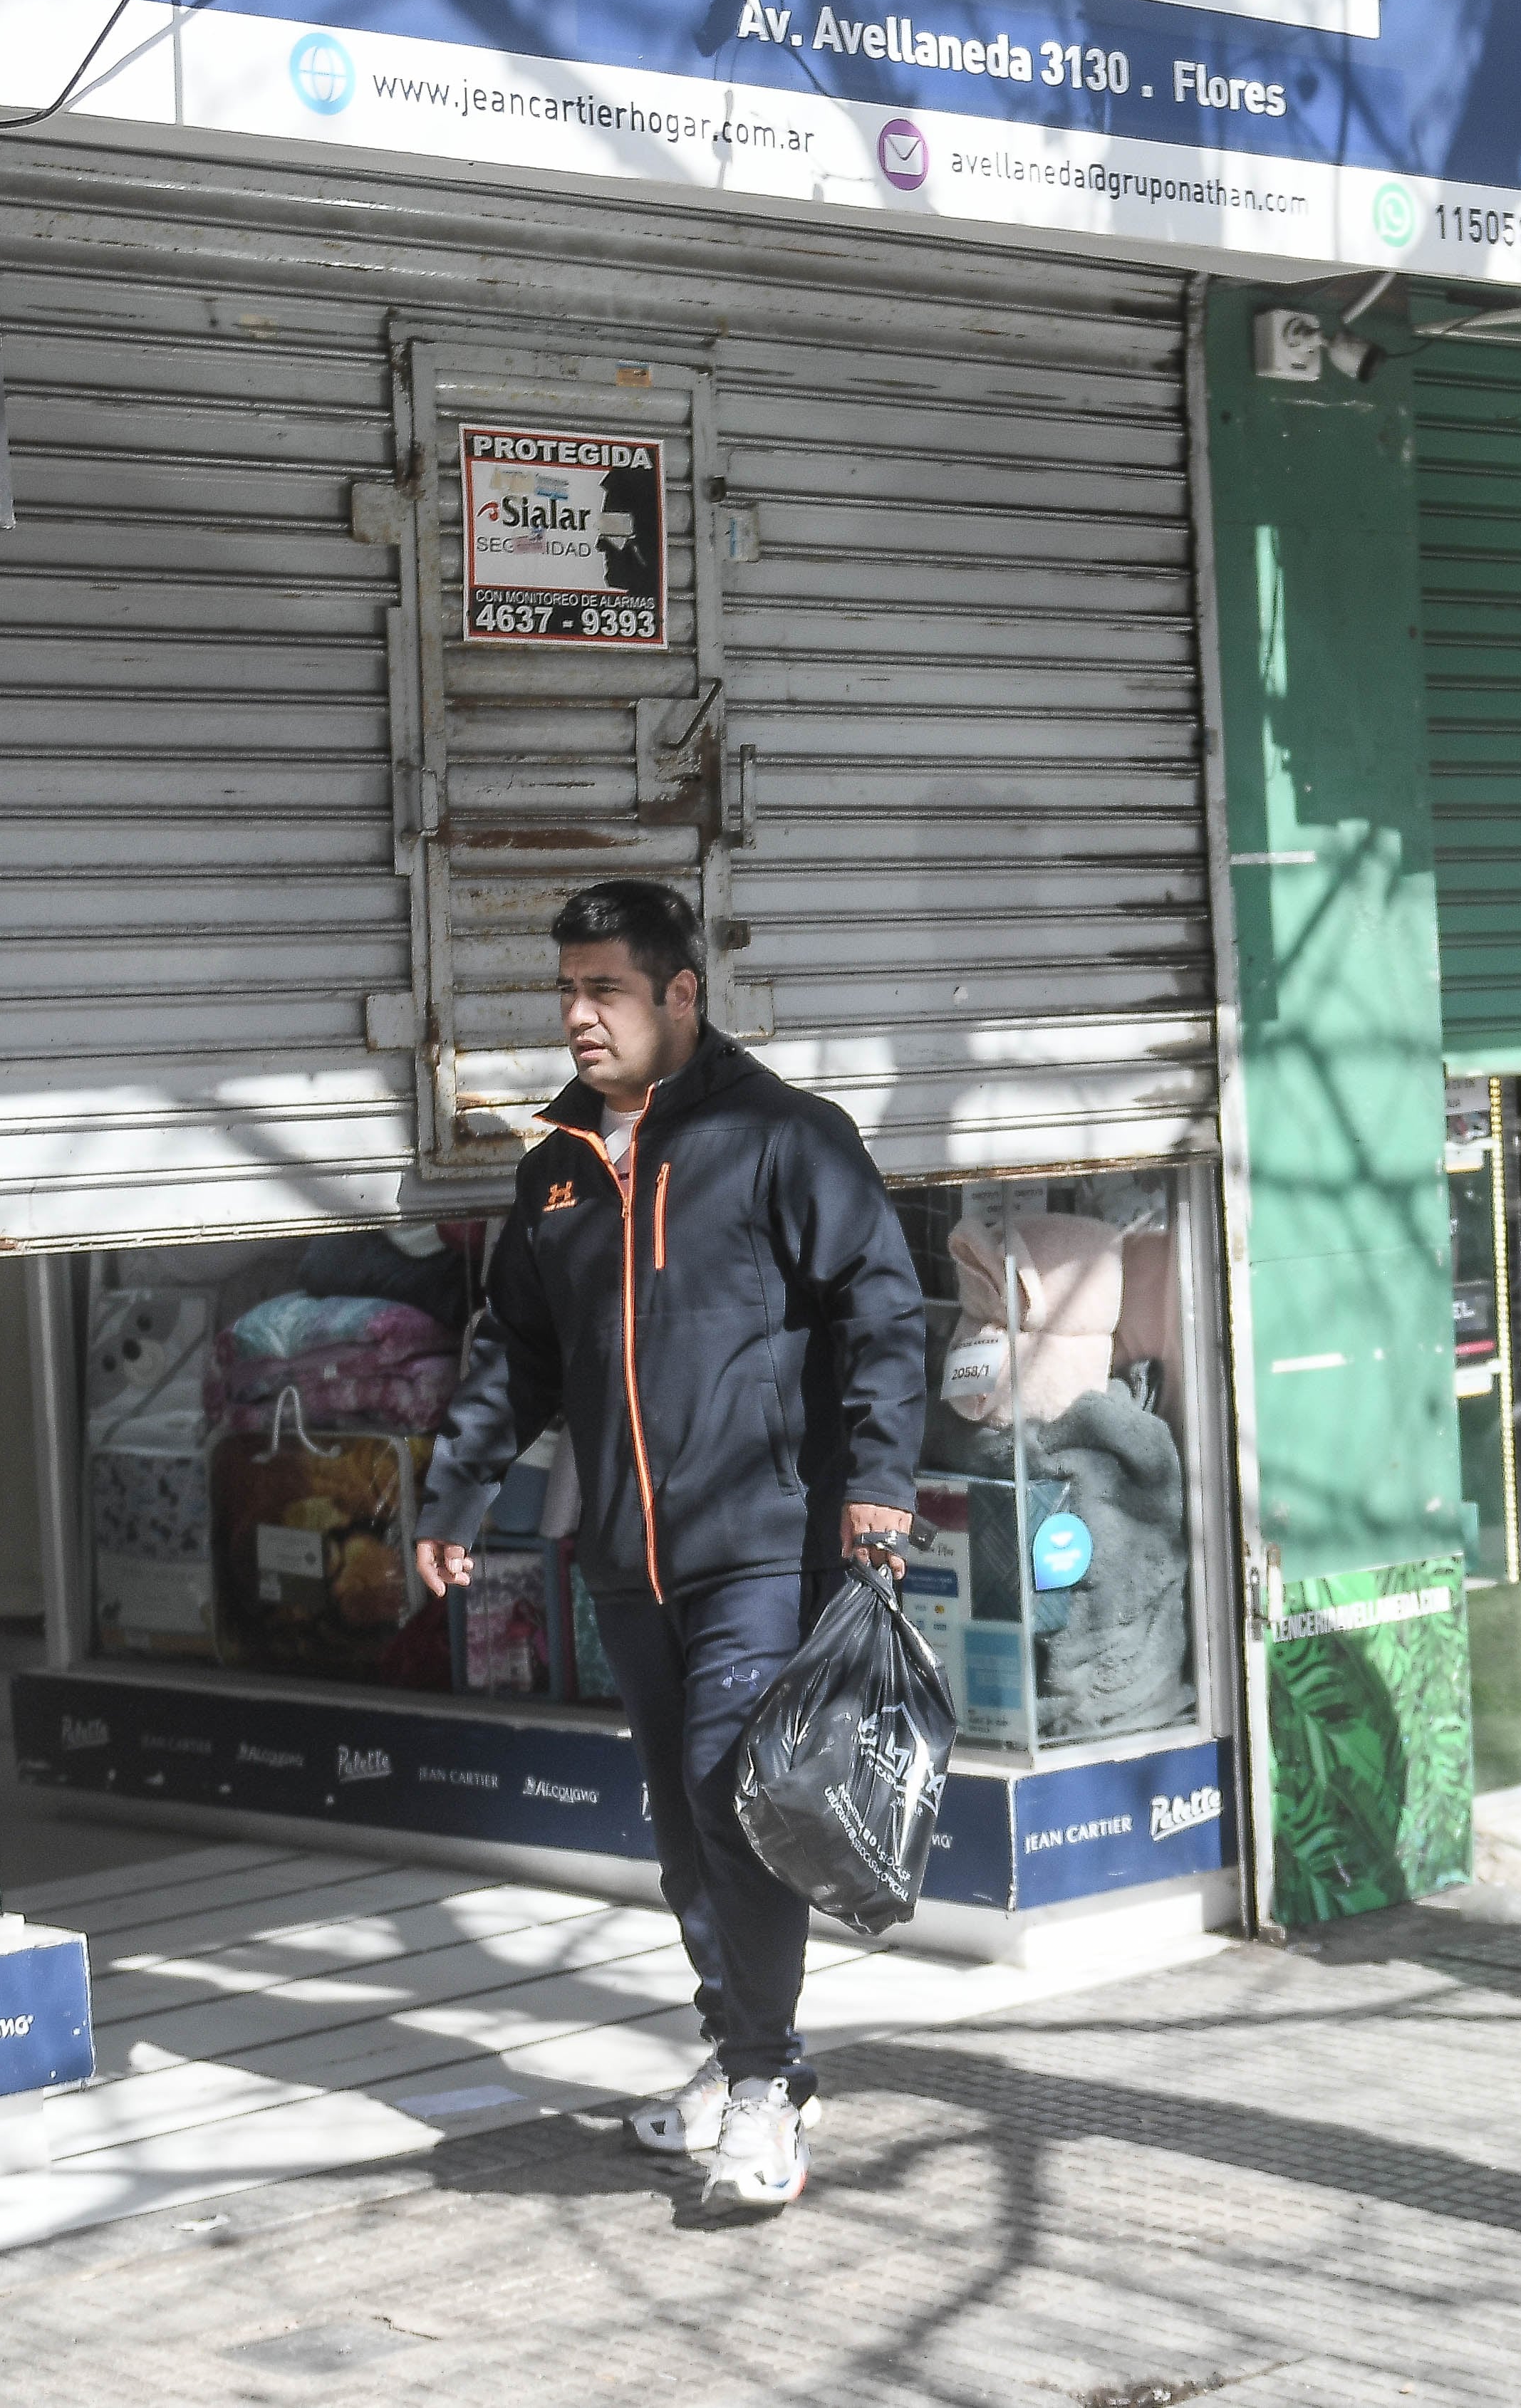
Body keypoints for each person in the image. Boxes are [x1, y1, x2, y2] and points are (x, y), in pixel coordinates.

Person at [414, 879, 927, 2213]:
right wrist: (456, 1491)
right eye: (568, 992)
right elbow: (517, 1351)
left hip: (762, 1533)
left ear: (681, 994)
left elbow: (881, 1304)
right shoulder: (560, 1167)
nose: (580, 1018)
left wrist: (877, 1483)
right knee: (684, 1824)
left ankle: (767, 2085)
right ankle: (736, 2048)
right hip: (629, 1555)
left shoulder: (781, 1136)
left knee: (729, 1796)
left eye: (608, 991)